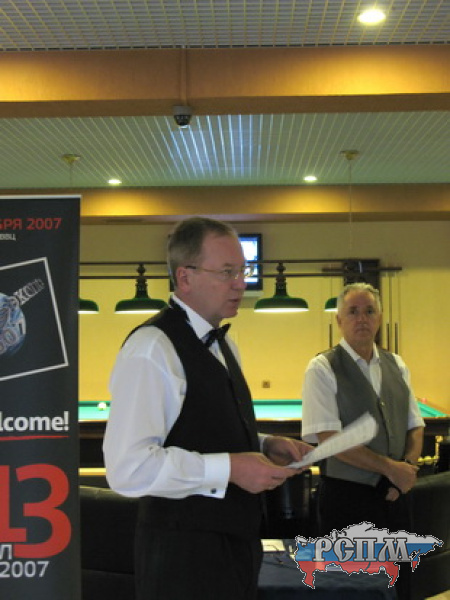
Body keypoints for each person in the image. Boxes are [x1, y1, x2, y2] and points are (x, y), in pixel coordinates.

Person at [103, 216, 312, 600]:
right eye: (227, 272)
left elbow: (202, 426)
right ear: (185, 277)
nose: (241, 283)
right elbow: (128, 468)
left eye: (243, 271)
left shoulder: (225, 344)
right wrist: (232, 468)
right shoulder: (151, 348)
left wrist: (263, 444)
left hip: (236, 549)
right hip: (181, 560)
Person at [302, 282, 425, 538]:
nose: (362, 319)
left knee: (399, 566)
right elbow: (329, 439)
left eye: (369, 311)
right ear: (339, 320)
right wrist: (391, 469)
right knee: (351, 566)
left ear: (379, 318)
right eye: (353, 311)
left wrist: (406, 469)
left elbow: (415, 426)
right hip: (347, 500)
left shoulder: (397, 364)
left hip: (395, 496)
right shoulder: (322, 367)